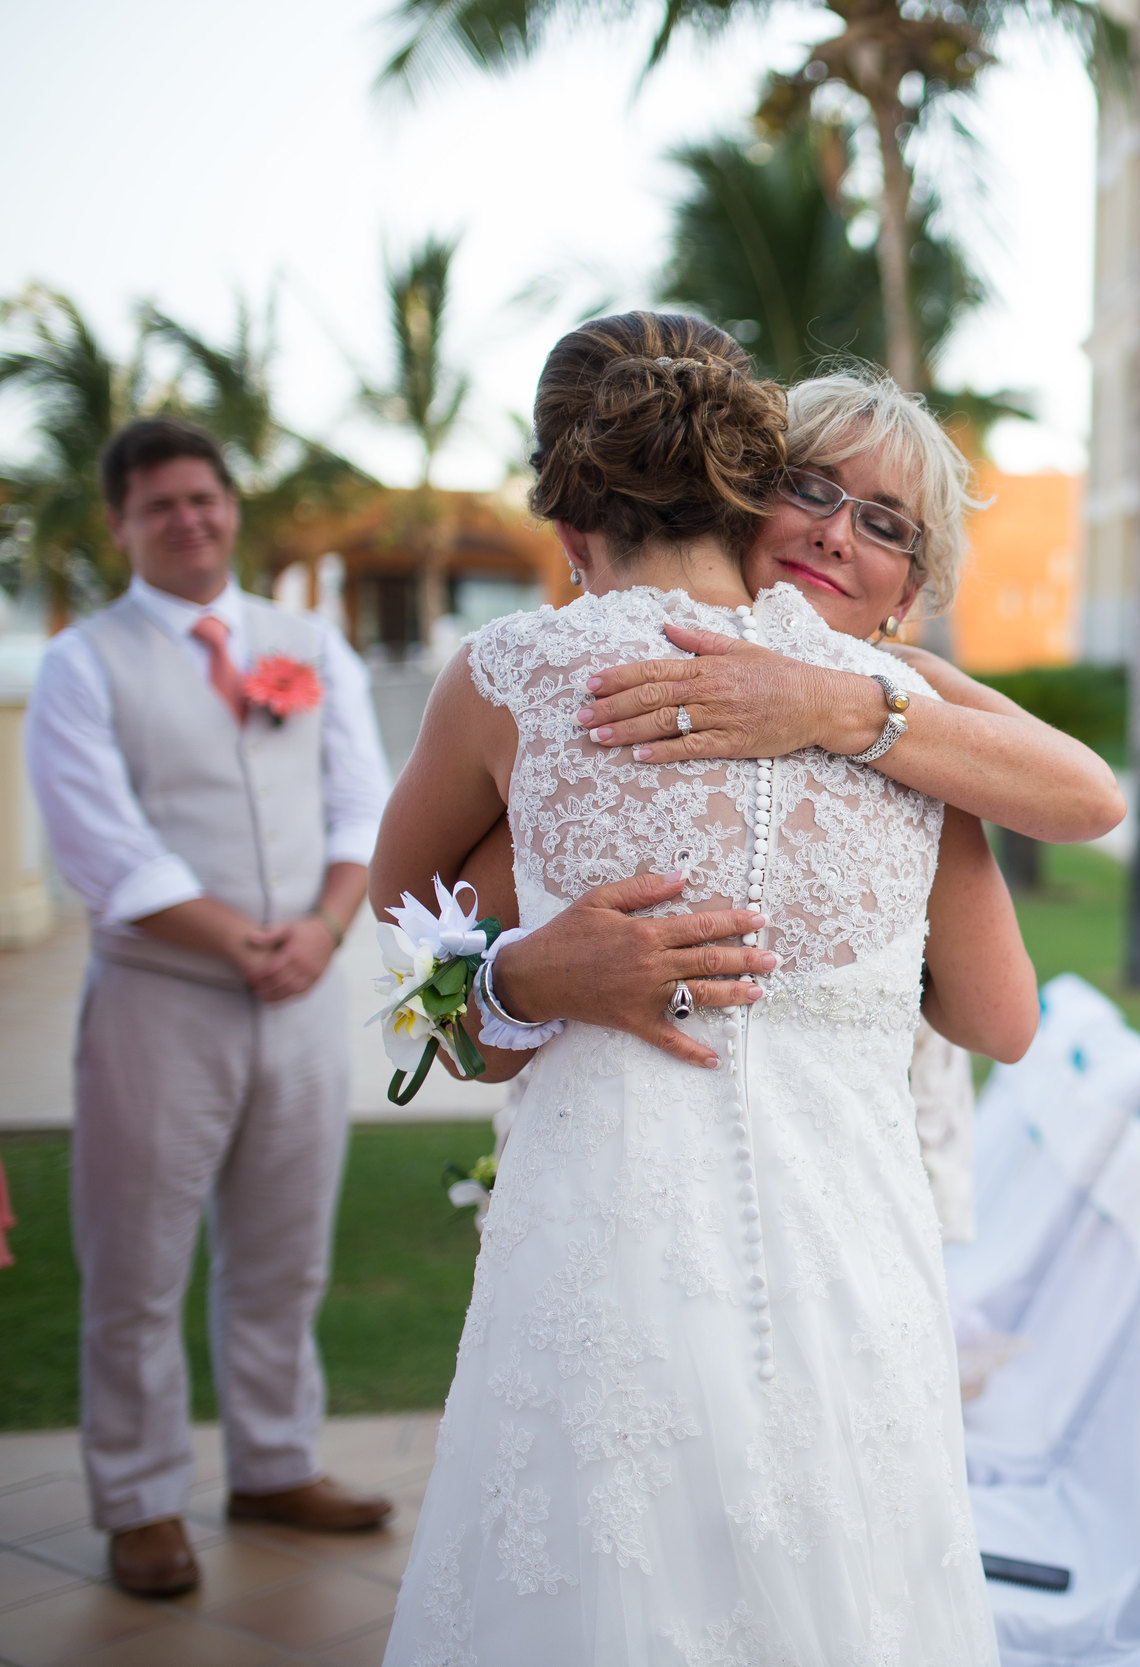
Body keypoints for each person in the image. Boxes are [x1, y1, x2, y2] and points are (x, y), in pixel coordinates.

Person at [374, 314, 1009, 1663]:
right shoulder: (897, 704)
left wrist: (515, 978)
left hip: (606, 1250)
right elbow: (1004, 1008)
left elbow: (405, 932)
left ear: (564, 503)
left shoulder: (519, 681)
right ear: (755, 487)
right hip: (850, 1257)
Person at [26, 418, 395, 1598]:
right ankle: (137, 1497)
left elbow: (359, 803)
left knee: (286, 1250)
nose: (188, 518)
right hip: (160, 999)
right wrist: (241, 940)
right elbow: (104, 846)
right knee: (135, 1260)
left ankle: (275, 1461)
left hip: (299, 991)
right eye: (159, 505)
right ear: (122, 524)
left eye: (204, 496)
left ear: (232, 505)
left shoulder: (308, 644)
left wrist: (327, 928)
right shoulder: (86, 662)